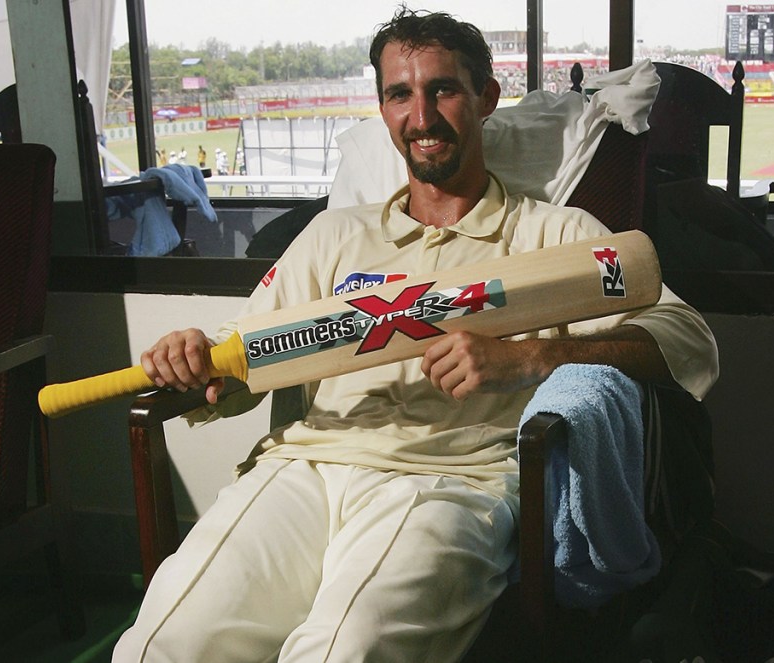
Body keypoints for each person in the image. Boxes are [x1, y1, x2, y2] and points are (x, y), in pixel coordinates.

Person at [113, 7, 718, 662]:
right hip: (304, 467)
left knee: (344, 651)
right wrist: (196, 356)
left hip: (450, 481)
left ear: (486, 98)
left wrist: (529, 358)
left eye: (443, 89)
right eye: (400, 94)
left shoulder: (556, 236)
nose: (422, 117)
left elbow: (687, 338)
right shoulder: (334, 236)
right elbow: (245, 356)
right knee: (163, 644)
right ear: (383, 109)